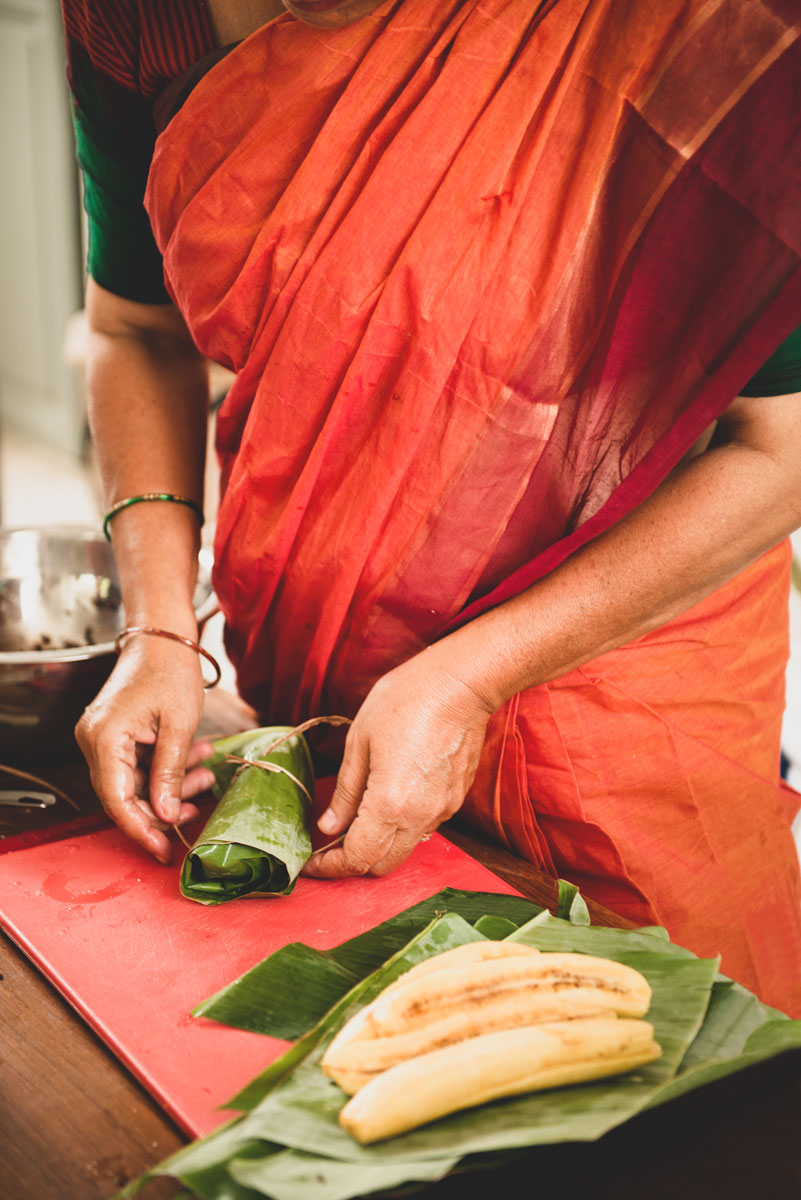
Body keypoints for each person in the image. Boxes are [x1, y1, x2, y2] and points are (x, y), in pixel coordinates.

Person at [61, 0, 801, 1015]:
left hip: (616, 702)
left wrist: (467, 678)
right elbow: (134, 329)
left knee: (656, 1049)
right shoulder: (138, 17)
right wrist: (156, 629)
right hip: (318, 675)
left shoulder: (696, 26)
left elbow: (780, 449)